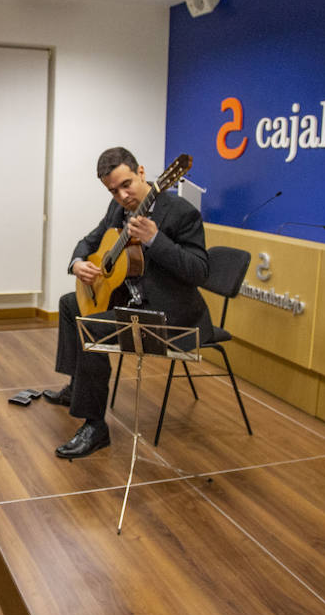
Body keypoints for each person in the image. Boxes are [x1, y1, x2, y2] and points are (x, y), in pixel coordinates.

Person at [44, 147, 210, 459]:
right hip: (132, 303)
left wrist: (155, 240)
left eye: (127, 184)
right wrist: (77, 262)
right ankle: (76, 385)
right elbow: (90, 240)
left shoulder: (181, 213)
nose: (122, 196)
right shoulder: (117, 209)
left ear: (142, 173)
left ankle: (95, 426)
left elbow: (200, 271)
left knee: (92, 326)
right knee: (70, 303)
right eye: (113, 190)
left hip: (169, 315)